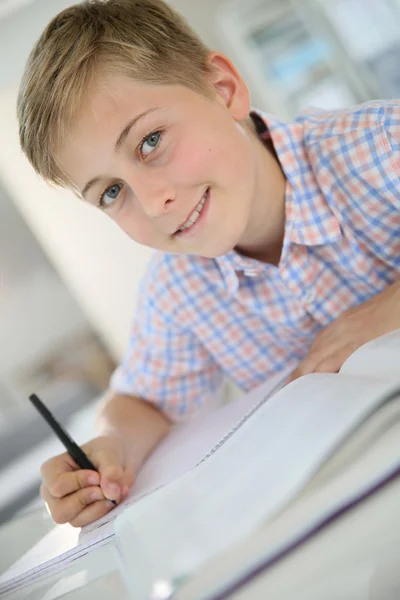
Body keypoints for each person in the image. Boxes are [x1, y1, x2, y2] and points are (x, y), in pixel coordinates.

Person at [17, 0, 400, 528]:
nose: (153, 202)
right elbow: (141, 402)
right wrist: (107, 449)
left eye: (150, 141)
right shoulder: (177, 291)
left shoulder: (379, 145)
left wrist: (386, 309)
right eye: (110, 192)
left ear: (224, 90)